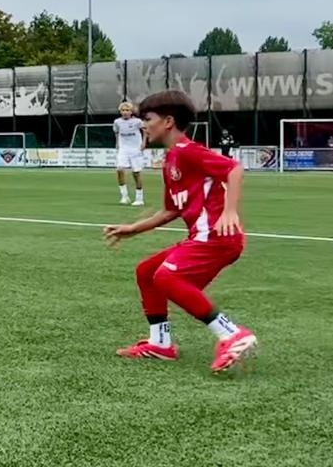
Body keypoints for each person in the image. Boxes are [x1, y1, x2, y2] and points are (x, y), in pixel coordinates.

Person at [103, 90, 257, 373]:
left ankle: (232, 334)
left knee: (166, 276)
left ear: (168, 121)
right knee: (147, 272)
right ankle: (160, 344)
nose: (144, 125)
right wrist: (132, 229)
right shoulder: (172, 159)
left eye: (148, 119)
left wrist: (229, 211)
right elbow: (170, 210)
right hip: (202, 238)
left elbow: (234, 169)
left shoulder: (188, 151)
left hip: (216, 237)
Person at [113, 101, 147, 206]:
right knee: (119, 169)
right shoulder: (117, 122)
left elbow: (145, 131)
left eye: (127, 110)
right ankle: (124, 196)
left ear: (131, 112)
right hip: (123, 149)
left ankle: (139, 198)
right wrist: (117, 143)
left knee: (136, 173)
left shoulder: (137, 121)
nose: (125, 112)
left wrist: (144, 143)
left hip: (136, 149)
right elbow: (117, 132)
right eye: (123, 110)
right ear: (120, 112)